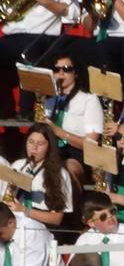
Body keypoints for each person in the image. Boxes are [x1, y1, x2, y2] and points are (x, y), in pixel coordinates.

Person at [11, 124, 79, 239]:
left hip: (43, 229)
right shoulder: (18, 165)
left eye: (40, 144)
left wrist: (25, 210)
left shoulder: (60, 174)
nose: (34, 148)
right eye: (31, 142)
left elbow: (57, 219)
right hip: (16, 223)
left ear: (49, 147)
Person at [42, 51, 102, 181]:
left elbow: (91, 145)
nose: (61, 73)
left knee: (67, 171)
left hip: (77, 154)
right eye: (56, 70)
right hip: (50, 150)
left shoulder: (89, 99)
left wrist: (59, 132)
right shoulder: (48, 100)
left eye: (66, 69)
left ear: (76, 73)